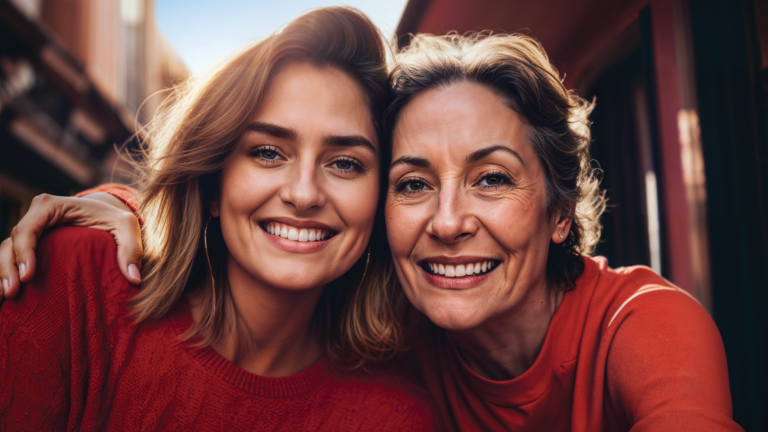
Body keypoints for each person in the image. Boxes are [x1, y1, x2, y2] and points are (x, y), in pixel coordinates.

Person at [1, 32, 741, 431]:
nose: (448, 223)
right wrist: (119, 208)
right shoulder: (395, 332)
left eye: (491, 177)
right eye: (414, 183)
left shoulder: (637, 324)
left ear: (559, 212)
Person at [0, 8, 437, 431]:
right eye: (268, 152)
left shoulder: (394, 418)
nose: (303, 194)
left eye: (344, 163)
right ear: (212, 183)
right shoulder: (74, 279)